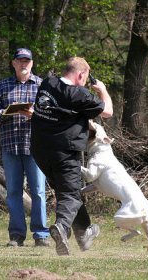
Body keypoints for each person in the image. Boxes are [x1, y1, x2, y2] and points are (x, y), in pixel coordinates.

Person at [30, 57, 113, 256]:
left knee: (70, 191)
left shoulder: (48, 82)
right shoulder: (81, 95)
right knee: (69, 195)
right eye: (84, 79)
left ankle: (83, 234)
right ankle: (61, 227)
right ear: (81, 75)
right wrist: (101, 90)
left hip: (40, 150)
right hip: (64, 152)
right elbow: (108, 112)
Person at [0, 48, 50, 247]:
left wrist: (37, 114)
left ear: (32, 63)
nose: (24, 64)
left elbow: (52, 113)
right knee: (13, 192)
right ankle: (16, 236)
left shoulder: (42, 85)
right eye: (20, 61)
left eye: (27, 61)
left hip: (36, 148)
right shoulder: (2, 86)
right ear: (13, 63)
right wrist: (9, 112)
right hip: (10, 146)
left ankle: (41, 235)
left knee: (39, 192)